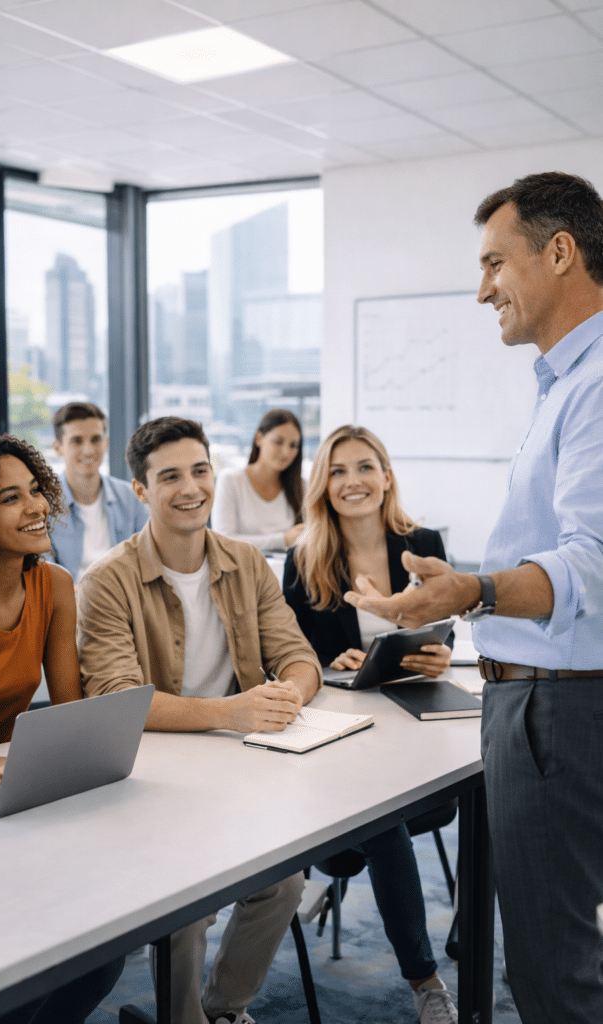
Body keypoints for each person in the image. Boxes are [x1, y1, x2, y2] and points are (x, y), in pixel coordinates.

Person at [344, 172, 603, 1024]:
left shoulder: (595, 382)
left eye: (495, 262)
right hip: (543, 701)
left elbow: (590, 562)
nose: (481, 287)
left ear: (558, 252)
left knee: (552, 968)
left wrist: (473, 591)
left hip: (557, 711)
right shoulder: (565, 382)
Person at [77, 415, 321, 1024]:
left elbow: (297, 657)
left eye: (200, 470)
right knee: (185, 908)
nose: (190, 488)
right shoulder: (106, 580)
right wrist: (232, 712)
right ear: (140, 491)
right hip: (153, 780)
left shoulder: (246, 562)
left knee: (285, 883)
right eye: (169, 477)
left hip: (242, 769)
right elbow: (118, 697)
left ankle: (224, 1009)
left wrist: (290, 692)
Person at [0, 434, 124, 1024]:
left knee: (103, 947)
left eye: (35, 490)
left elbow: (69, 712)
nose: (37, 506)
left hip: (3, 787)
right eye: (11, 498)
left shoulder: (54, 585)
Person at [283, 424, 457, 1024]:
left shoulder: (422, 542)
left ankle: (467, 939)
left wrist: (441, 655)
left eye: (365, 467)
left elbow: (442, 631)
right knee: (382, 824)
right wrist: (331, 666)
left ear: (386, 476)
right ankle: (425, 981)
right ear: (322, 487)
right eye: (337, 471)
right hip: (342, 742)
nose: (352, 481)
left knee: (493, 783)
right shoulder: (306, 558)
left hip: (416, 728)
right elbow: (292, 659)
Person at [49, 402, 148, 583]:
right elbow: (44, 577)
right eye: (77, 441)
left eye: (95, 439)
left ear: (106, 443)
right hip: (69, 605)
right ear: (58, 448)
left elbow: (147, 560)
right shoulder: (44, 505)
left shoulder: (132, 498)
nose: (88, 450)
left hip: (124, 602)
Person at [211, 408, 305, 551]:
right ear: (259, 438)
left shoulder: (301, 486)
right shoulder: (231, 480)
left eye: (293, 445)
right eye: (278, 442)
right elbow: (223, 541)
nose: (286, 452)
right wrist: (283, 539)